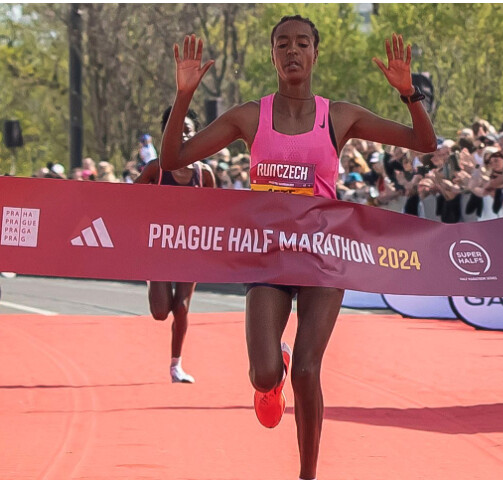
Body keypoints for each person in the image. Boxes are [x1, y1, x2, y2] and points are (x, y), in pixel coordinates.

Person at [159, 16, 436, 479]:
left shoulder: (339, 116)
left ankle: (308, 474)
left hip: (322, 259)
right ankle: (273, 378)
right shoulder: (251, 116)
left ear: (315, 53)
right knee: (264, 373)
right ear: (272, 55)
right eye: (283, 44)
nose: (292, 51)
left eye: (302, 43)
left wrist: (409, 93)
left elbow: (423, 143)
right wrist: (183, 95)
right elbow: (173, 159)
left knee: (309, 371)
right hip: (269, 257)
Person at [135, 106, 215, 384]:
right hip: (158, 248)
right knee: (160, 312)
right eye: (177, 130)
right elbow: (126, 200)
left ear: (196, 135)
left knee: (181, 307)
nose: (182, 136)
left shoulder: (204, 174)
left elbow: (217, 211)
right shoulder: (155, 169)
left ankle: (175, 366)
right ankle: (151, 279)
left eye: (188, 131)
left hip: (189, 249)